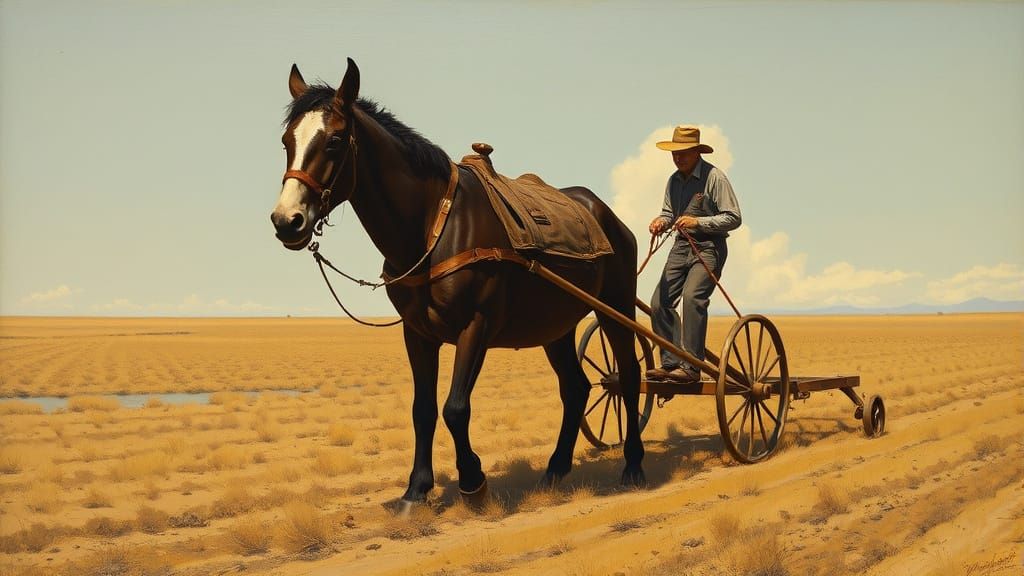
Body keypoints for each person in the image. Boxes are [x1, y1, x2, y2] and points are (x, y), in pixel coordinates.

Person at [647, 126, 741, 383]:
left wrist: (698, 222)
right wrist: (661, 221)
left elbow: (733, 217)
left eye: (683, 153)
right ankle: (670, 364)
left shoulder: (714, 178)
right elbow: (668, 213)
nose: (678, 158)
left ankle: (691, 367)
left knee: (692, 298)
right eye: (674, 153)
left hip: (709, 248)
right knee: (659, 303)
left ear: (697, 152)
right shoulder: (674, 181)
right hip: (680, 247)